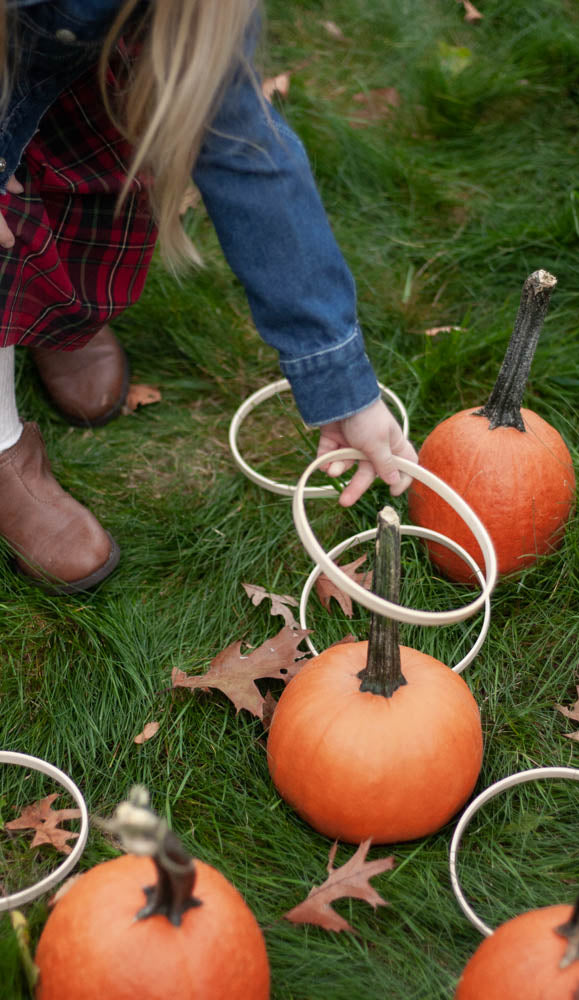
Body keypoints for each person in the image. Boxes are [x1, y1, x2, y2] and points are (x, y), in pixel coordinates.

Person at [0, 0, 417, 595]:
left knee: (93, 167)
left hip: (72, 63)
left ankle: (52, 312)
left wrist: (343, 389)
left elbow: (246, 151)